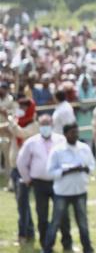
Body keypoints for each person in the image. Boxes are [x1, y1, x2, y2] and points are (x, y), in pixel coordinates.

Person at [16, 115, 72, 251]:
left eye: (47, 124)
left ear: (52, 125)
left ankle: (67, 244)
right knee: (42, 216)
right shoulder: (31, 142)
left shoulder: (61, 140)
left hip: (58, 182)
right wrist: (27, 178)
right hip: (39, 183)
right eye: (42, 124)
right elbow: (21, 162)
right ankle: (46, 245)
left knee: (63, 214)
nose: (45, 127)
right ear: (39, 126)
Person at [43, 122, 96, 253]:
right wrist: (66, 171)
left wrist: (84, 168)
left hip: (80, 191)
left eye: (77, 132)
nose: (75, 135)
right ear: (66, 134)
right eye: (72, 132)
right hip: (62, 193)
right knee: (56, 222)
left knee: (83, 223)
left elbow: (93, 166)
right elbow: (50, 172)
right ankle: (47, 248)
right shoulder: (57, 150)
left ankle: (87, 248)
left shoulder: (84, 148)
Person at [7, 97, 38, 244]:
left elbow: (21, 133)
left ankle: (23, 235)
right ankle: (30, 231)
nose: (22, 110)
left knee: (23, 204)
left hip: (24, 170)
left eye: (24, 107)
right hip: (15, 168)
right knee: (22, 203)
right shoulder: (18, 122)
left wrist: (12, 122)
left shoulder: (34, 125)